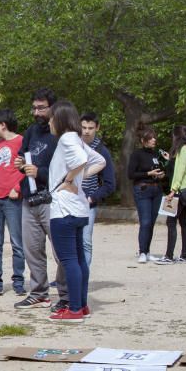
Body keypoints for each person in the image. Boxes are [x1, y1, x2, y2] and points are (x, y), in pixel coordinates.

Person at [46, 101, 106, 323]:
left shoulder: (66, 138)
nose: (50, 122)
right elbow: (99, 161)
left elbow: (81, 161)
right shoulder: (77, 139)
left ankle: (74, 310)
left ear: (59, 119)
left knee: (69, 260)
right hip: (78, 208)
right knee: (79, 259)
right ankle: (81, 305)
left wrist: (69, 180)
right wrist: (79, 179)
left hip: (65, 209)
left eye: (52, 118)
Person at [13, 88, 67, 311]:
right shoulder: (31, 131)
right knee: (32, 249)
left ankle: (65, 294)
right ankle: (39, 293)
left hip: (52, 199)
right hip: (30, 198)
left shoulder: (62, 134)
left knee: (61, 250)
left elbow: (67, 170)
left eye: (41, 108)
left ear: (52, 108)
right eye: (34, 107)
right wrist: (20, 165)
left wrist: (40, 172)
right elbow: (23, 155)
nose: (36, 112)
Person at [0, 108, 26, 296]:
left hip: (12, 201)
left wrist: (17, 187)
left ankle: (18, 280)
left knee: (17, 242)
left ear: (3, 125)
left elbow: (26, 168)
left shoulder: (21, 142)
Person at [79, 112, 117, 266]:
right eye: (83, 127)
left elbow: (110, 184)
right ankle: (65, 279)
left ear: (97, 128)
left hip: (88, 202)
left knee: (85, 241)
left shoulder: (102, 151)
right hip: (68, 199)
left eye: (90, 128)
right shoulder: (71, 145)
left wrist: (92, 197)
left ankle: (84, 278)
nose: (86, 131)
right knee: (67, 243)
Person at [157, 125, 186, 264]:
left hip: (179, 192)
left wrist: (173, 190)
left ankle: (169, 256)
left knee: (171, 222)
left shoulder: (182, 151)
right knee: (184, 223)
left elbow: (179, 172)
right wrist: (170, 160)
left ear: (177, 137)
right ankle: (185, 255)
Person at [127, 124, 166, 263]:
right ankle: (142, 252)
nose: (154, 140)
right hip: (142, 190)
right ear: (143, 141)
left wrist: (160, 174)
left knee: (152, 222)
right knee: (145, 221)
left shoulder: (156, 155)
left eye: (154, 137)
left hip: (156, 190)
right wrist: (148, 173)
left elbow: (160, 170)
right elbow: (131, 174)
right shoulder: (137, 154)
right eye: (150, 138)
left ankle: (148, 251)